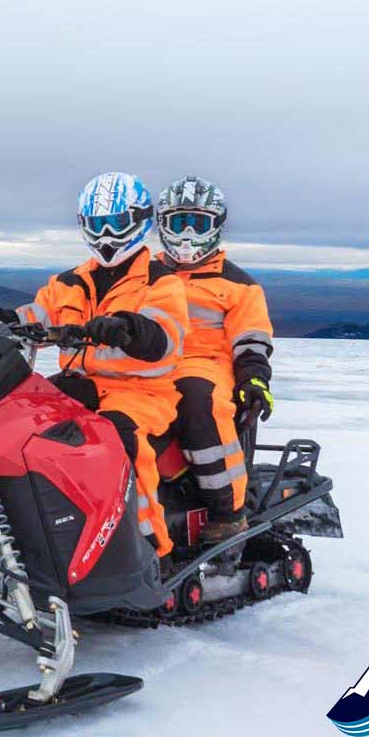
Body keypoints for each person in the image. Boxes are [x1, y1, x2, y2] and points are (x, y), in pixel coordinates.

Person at [0, 173, 188, 557]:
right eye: (96, 224)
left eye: (116, 223)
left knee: (120, 438)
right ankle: (26, 526)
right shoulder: (69, 281)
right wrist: (0, 318)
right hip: (79, 382)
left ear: (140, 222)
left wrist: (128, 328)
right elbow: (36, 314)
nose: (106, 234)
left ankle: (147, 546)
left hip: (141, 390)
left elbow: (165, 337)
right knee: (12, 419)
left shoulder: (161, 282)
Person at [155, 176, 274, 543]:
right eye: (179, 222)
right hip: (144, 367)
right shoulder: (144, 274)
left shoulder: (238, 285)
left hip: (206, 367)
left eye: (199, 222)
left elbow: (251, 337)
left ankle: (226, 509)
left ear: (216, 227)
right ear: (162, 225)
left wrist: (254, 378)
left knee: (197, 400)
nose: (188, 232)